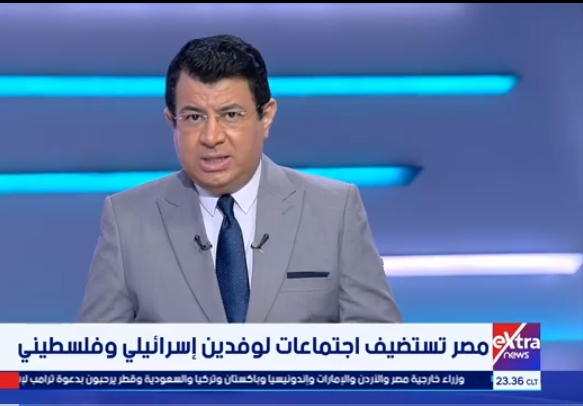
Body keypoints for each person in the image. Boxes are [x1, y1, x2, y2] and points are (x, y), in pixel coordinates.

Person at [79, 34, 402, 323]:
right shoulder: (127, 219)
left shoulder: (335, 210)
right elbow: (91, 360)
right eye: (194, 117)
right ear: (172, 122)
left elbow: (382, 348)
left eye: (231, 115)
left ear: (266, 116)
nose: (211, 137)